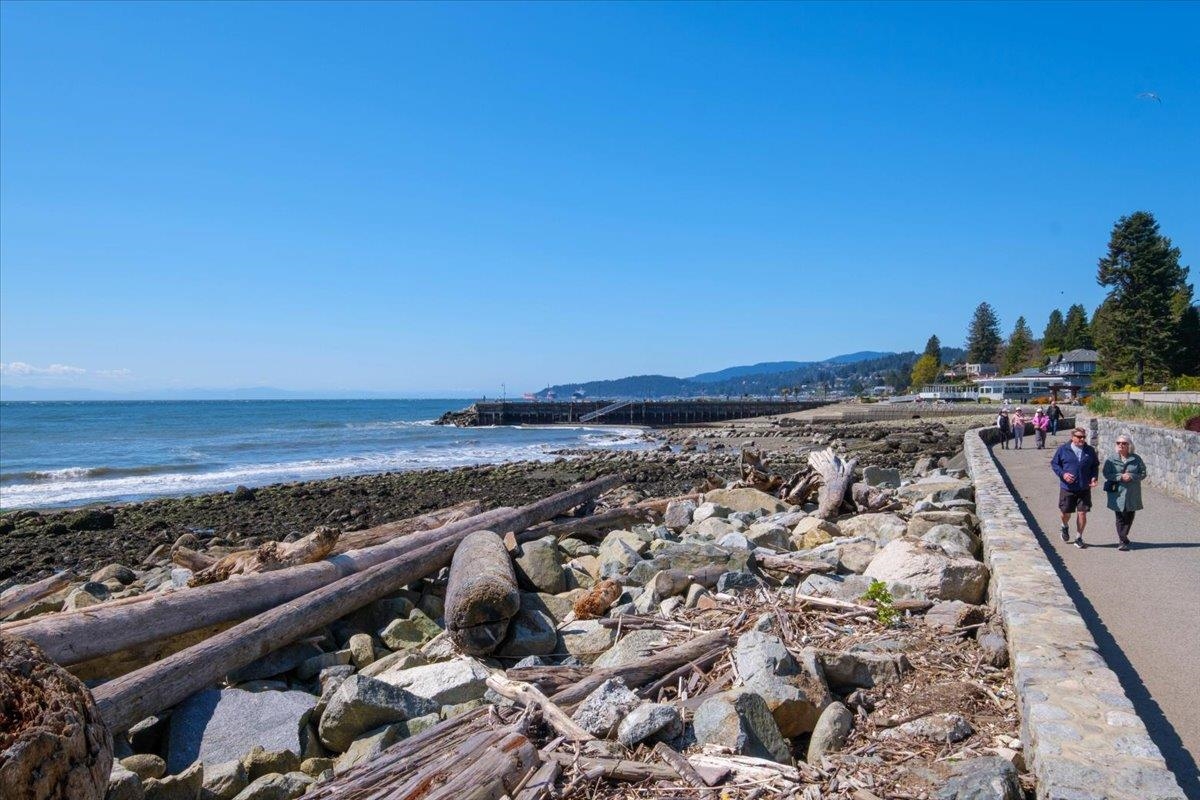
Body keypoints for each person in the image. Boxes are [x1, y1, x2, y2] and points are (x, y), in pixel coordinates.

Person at [1051, 427, 1100, 548]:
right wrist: (1063, 474)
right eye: (1079, 437)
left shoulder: (1090, 450)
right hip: (1067, 488)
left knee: (1082, 513)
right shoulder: (1063, 449)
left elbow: (1095, 466)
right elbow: (1055, 464)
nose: (1082, 439)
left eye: (1083, 437)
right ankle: (1064, 526)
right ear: (1072, 437)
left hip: (1084, 488)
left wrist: (1094, 477)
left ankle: (1079, 537)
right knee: (1065, 513)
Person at [1102, 434, 1147, 551]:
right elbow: (1106, 473)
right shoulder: (1111, 459)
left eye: (1123, 443)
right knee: (1119, 516)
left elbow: (1143, 473)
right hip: (1117, 492)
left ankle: (1123, 536)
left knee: (1129, 515)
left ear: (1129, 445)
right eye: (1118, 443)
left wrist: (1131, 476)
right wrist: (1120, 477)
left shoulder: (1136, 459)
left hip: (1132, 492)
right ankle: (1122, 540)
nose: (1120, 445)